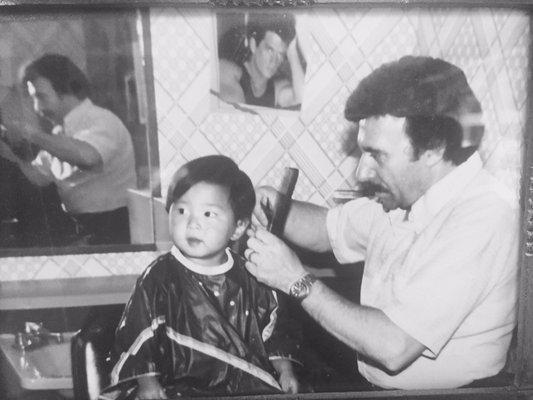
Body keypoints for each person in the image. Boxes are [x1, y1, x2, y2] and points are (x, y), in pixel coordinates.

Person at [244, 55, 518, 390]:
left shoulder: (484, 215)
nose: (362, 172)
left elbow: (394, 347)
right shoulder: (408, 198)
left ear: (433, 149)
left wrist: (295, 280)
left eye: (377, 154)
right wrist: (274, 204)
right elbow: (326, 230)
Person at [106, 155, 300, 399]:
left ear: (238, 227)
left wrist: (285, 369)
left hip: (247, 389)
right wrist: (148, 384)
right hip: (176, 389)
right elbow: (139, 336)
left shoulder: (252, 274)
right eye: (181, 210)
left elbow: (274, 327)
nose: (192, 223)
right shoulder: (159, 278)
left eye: (208, 214)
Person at [0, 54, 136, 245]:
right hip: (84, 229)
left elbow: (89, 157)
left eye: (40, 97)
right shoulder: (59, 133)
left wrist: (31, 134)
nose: (37, 108)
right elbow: (39, 177)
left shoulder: (103, 120)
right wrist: (15, 147)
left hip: (114, 230)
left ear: (65, 91)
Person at [218, 12, 305, 109]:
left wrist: (292, 52)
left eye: (280, 54)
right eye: (270, 50)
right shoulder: (229, 71)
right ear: (253, 45)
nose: (274, 61)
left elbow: (301, 98)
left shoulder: (276, 89)